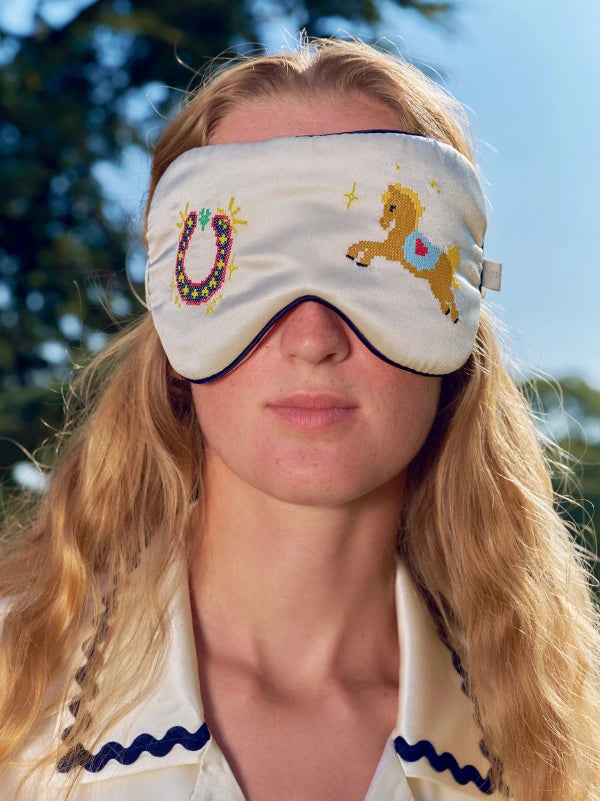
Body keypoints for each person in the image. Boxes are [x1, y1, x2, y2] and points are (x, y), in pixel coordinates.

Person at [1, 36, 599, 801]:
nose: (313, 337)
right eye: (256, 270)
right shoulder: (13, 706)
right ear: (173, 304)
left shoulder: (559, 753)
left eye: (370, 279)